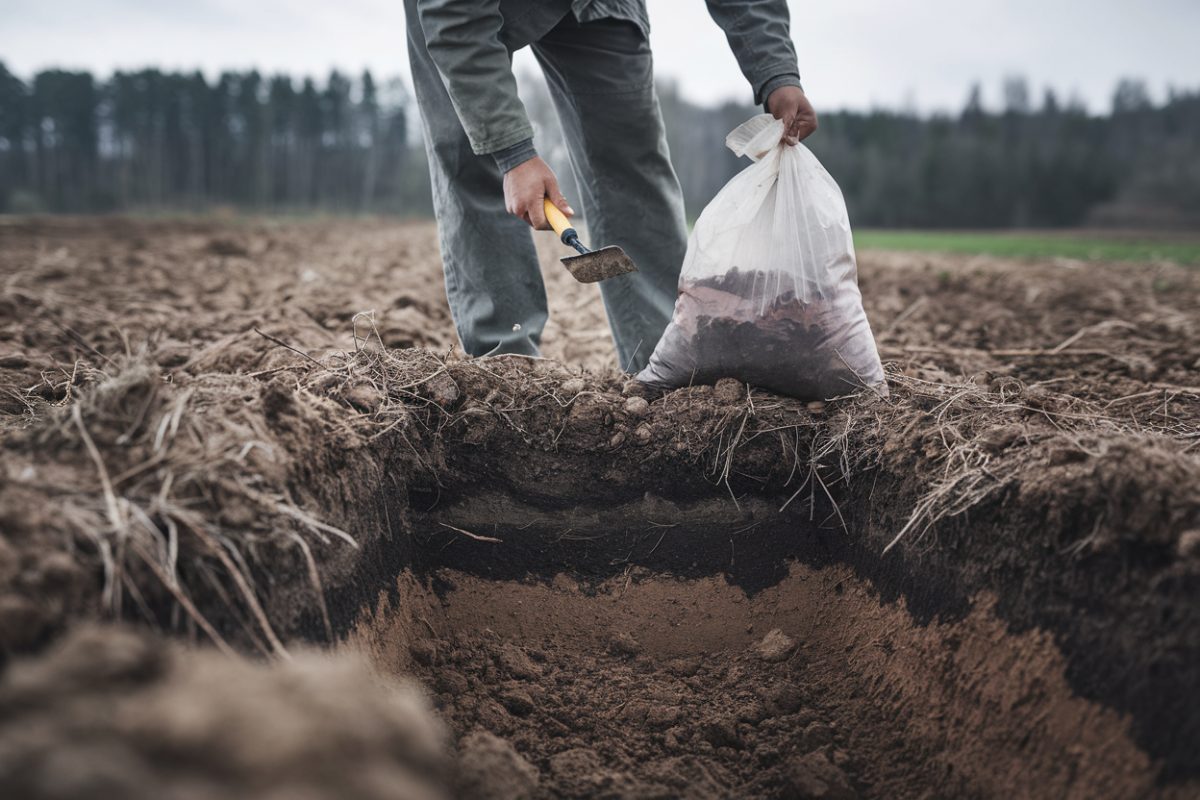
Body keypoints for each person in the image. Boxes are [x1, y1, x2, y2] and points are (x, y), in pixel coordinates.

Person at [405, 0, 818, 372]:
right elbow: (454, 18)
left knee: (631, 157)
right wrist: (512, 154)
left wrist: (776, 71)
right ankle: (506, 367)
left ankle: (666, 361)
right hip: (462, 13)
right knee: (474, 149)